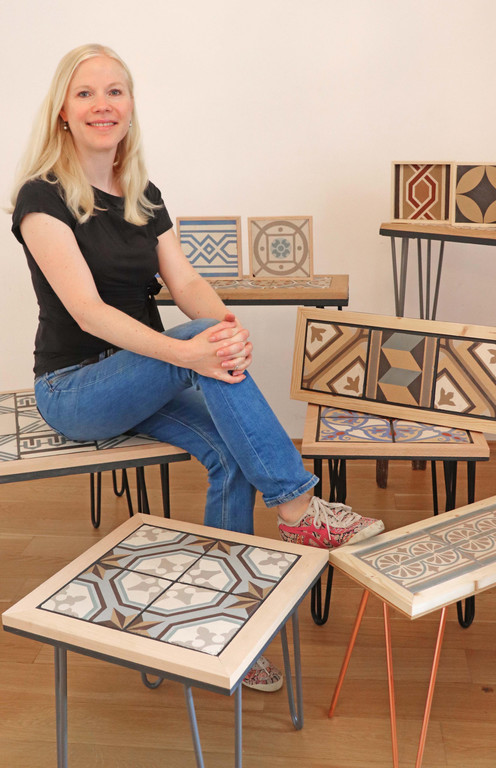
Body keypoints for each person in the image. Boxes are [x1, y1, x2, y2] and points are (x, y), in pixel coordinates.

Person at [10, 44, 384, 691]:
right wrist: (191, 351)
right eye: (86, 93)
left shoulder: (142, 194)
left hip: (142, 376)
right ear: (62, 111)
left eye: (115, 91)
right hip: (74, 391)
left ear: (131, 106)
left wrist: (225, 332)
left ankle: (226, 624)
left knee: (232, 453)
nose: (103, 104)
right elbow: (89, 313)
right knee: (200, 346)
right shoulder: (41, 198)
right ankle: (300, 510)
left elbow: (185, 284)